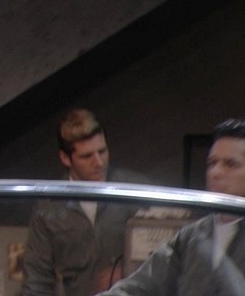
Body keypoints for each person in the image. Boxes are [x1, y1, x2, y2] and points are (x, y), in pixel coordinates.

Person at [97, 118, 245, 296]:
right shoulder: (191, 237)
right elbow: (137, 287)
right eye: (212, 163)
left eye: (231, 164)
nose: (215, 172)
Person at [22, 108, 148, 296]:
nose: (99, 163)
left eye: (102, 152)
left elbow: (169, 253)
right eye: (87, 156)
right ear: (66, 158)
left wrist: (125, 271)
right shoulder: (49, 206)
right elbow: (36, 280)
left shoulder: (136, 190)